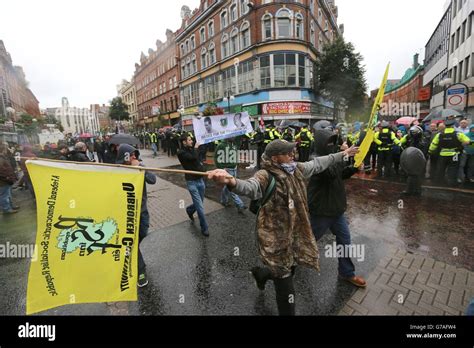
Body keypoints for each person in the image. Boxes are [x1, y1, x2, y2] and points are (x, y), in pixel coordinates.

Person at [207, 140, 359, 316]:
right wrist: (231, 180)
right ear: (275, 157)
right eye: (288, 153)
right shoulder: (265, 175)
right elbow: (250, 187)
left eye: (292, 152)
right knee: (286, 289)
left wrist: (344, 153)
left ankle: (262, 274)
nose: (292, 155)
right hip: (276, 240)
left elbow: (319, 163)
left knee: (290, 269)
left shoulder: (296, 169)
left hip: (295, 235)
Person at [307, 129, 367, 288]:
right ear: (321, 143)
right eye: (329, 142)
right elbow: (331, 173)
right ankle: (284, 266)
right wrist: (344, 154)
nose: (332, 145)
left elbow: (341, 174)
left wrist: (354, 167)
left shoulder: (335, 156)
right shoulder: (316, 159)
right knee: (308, 242)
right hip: (322, 211)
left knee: (345, 242)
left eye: (334, 141)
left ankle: (346, 273)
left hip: (337, 210)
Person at [116, 144, 156, 287]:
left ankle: (131, 256)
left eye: (135, 154)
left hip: (142, 212)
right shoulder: (117, 169)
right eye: (131, 155)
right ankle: (141, 271)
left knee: (142, 234)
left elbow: (153, 180)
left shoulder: (140, 166)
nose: (134, 157)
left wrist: (140, 168)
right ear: (124, 156)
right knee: (132, 243)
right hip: (127, 214)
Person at [178, 135, 209, 237]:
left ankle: (189, 210)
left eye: (191, 140)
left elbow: (198, 158)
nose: (191, 141)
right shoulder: (181, 153)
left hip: (200, 179)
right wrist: (196, 148)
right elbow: (193, 158)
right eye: (189, 140)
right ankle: (204, 228)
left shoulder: (191, 149)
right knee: (200, 207)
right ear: (184, 142)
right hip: (192, 182)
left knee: (200, 201)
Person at [429, 118, 470, 186]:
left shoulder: (439, 135)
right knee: (453, 169)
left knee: (441, 169)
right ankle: (452, 183)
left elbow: (433, 144)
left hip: (442, 155)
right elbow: (467, 141)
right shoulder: (458, 134)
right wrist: (463, 144)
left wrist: (430, 151)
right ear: (452, 126)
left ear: (445, 126)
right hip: (455, 155)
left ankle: (439, 182)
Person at [214, 138, 247, 214]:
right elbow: (216, 158)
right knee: (232, 187)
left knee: (228, 186)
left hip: (234, 168)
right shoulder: (221, 145)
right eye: (232, 135)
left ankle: (223, 201)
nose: (234, 136)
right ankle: (240, 204)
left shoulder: (234, 144)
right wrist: (222, 168)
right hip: (227, 170)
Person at [0, 143, 19, 214]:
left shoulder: (3, 157)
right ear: (3, 149)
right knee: (4, 196)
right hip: (3, 181)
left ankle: (10, 206)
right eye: (6, 148)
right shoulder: (1, 158)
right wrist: (7, 177)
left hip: (6, 180)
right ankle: (6, 209)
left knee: (8, 194)